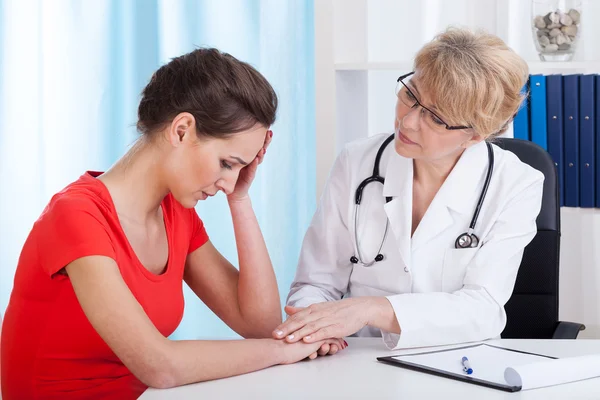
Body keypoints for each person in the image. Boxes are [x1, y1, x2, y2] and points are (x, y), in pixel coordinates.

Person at [0, 48, 344, 400]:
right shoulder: (76, 217)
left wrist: (239, 199)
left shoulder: (175, 214)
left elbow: (258, 324)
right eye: (227, 163)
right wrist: (286, 351)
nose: (228, 181)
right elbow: (160, 367)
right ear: (181, 131)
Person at [273, 28, 544, 353]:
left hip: (459, 360)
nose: (409, 121)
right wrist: (312, 329)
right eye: (411, 95)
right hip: (356, 360)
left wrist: (372, 309)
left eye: (436, 118)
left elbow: (483, 308)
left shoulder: (515, 184)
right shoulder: (357, 161)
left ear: (476, 135)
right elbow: (316, 282)